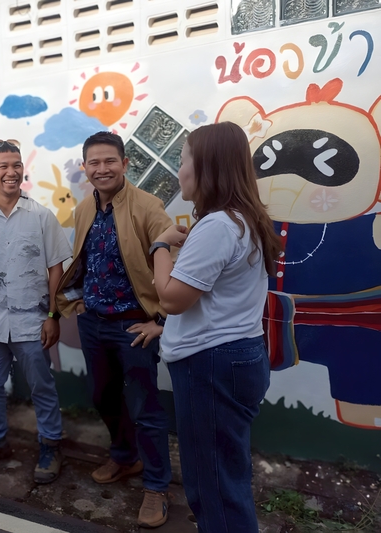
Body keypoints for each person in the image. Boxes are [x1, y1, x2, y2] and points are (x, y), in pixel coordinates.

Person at [152, 122, 280, 532]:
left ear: (207, 166)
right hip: (236, 356)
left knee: (214, 487)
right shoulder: (244, 219)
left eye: (183, 160)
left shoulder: (218, 226)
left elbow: (171, 298)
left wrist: (160, 245)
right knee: (226, 474)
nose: (179, 171)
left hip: (210, 366)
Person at [56, 131, 173, 528]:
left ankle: (156, 487)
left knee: (144, 407)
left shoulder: (149, 206)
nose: (102, 169)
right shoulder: (84, 208)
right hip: (94, 322)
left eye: (110, 161)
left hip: (133, 325)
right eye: (94, 162)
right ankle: (124, 458)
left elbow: (174, 261)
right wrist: (78, 302)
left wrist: (160, 320)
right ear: (85, 168)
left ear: (125, 164)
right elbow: (84, 259)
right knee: (103, 396)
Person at [0, 139, 71, 484]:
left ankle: (51, 444)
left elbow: (56, 270)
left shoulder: (41, 217)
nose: (11, 172)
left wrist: (52, 317)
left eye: (16, 165)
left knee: (41, 387)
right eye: (3, 166)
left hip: (32, 322)